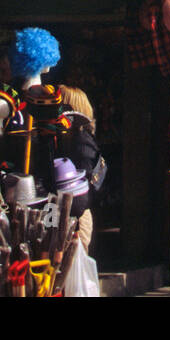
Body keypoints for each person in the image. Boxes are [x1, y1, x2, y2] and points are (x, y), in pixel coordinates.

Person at [57, 85, 102, 252]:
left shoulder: (82, 142)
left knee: (74, 266)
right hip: (65, 212)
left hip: (78, 216)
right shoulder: (67, 140)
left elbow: (85, 183)